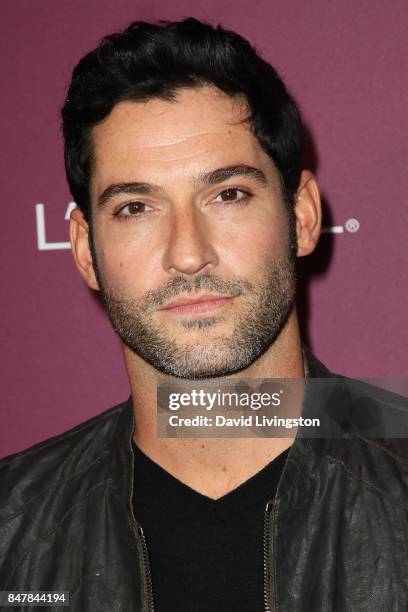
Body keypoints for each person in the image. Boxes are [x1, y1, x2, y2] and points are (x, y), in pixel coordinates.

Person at [1, 17, 407, 612]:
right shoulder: (12, 523)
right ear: (86, 250)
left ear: (301, 217)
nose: (187, 253)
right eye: (136, 207)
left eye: (229, 194)